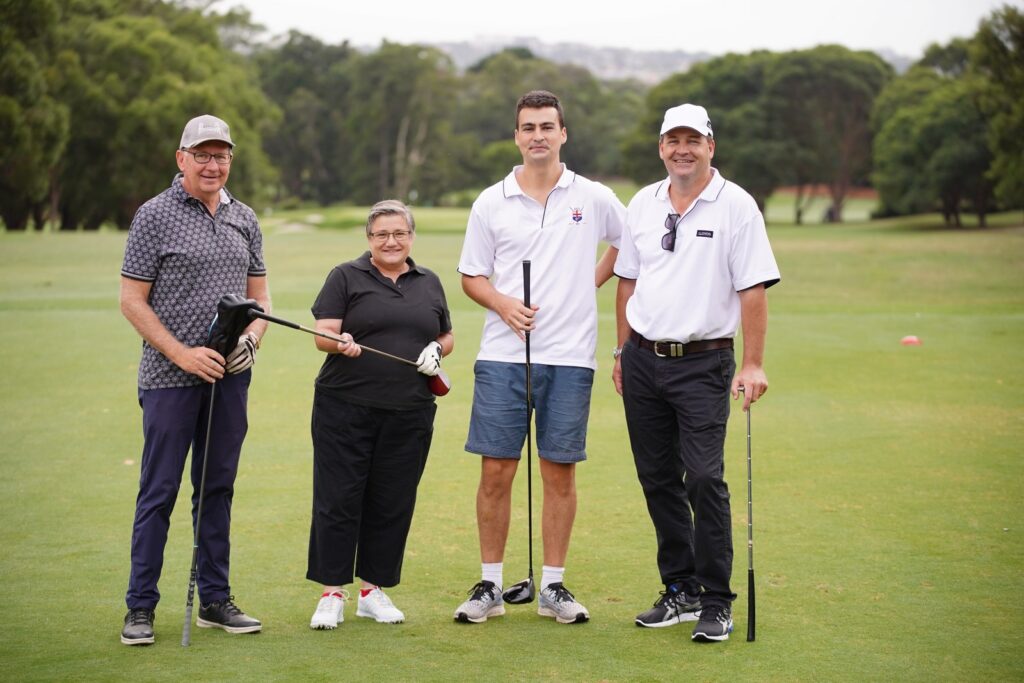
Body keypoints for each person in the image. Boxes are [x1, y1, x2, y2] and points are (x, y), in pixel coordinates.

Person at [453, 90, 625, 625]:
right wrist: (503, 303)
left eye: (547, 126)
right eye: (528, 127)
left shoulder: (593, 197)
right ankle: (490, 585)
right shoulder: (491, 200)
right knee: (497, 471)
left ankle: (552, 586)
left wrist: (586, 283)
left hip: (571, 357)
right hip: (504, 357)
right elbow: (471, 276)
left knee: (560, 473)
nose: (537, 136)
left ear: (563, 133)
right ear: (516, 136)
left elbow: (629, 244)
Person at [612, 103, 780, 642]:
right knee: (657, 478)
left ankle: (716, 599)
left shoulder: (736, 206)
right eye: (672, 140)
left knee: (704, 478)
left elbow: (752, 289)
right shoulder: (642, 202)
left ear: (711, 145)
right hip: (641, 360)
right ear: (661, 146)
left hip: (704, 361)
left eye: (693, 139)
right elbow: (626, 281)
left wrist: (752, 363)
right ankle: (679, 589)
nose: (681, 149)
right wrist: (621, 351)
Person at [119, 114, 271, 645]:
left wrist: (251, 340)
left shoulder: (244, 218)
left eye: (221, 155)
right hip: (168, 377)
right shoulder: (154, 216)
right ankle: (140, 607)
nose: (213, 164)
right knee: (157, 492)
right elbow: (131, 302)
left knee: (217, 489)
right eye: (202, 155)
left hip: (228, 381)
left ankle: (215, 600)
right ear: (181, 158)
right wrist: (183, 355)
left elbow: (260, 301)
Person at [306, 200, 453, 630]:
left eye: (399, 233)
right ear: (369, 239)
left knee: (391, 501)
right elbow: (323, 335)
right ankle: (332, 593)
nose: (391, 241)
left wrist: (437, 349)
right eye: (381, 234)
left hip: (410, 410)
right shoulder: (345, 276)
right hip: (344, 407)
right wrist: (340, 342)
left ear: (411, 236)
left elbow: (446, 333)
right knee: (339, 499)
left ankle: (373, 591)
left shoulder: (428, 281)